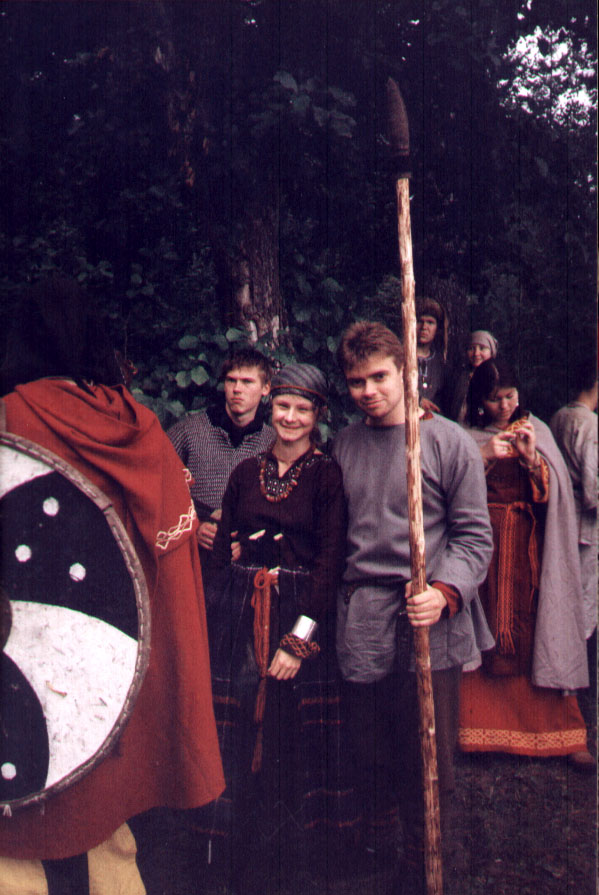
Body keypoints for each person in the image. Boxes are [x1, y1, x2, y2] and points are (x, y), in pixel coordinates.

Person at [0, 277, 224, 894]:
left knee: (18, 810)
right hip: (109, 658)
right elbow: (170, 564)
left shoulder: (8, 417)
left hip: (30, 648)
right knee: (99, 805)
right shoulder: (138, 424)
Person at [332, 321, 494, 894]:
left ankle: (426, 864)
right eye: (356, 381)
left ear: (405, 372)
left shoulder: (448, 442)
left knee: (426, 755)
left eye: (379, 377)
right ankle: (379, 855)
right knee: (369, 750)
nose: (368, 391)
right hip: (363, 617)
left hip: (428, 616)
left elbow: (475, 536)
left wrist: (445, 592)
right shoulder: (344, 445)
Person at [204, 362, 355, 890]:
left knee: (290, 743)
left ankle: (292, 868)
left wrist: (297, 642)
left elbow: (330, 564)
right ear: (271, 408)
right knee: (237, 735)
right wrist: (223, 609)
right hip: (239, 617)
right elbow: (220, 551)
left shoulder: (326, 475)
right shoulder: (246, 473)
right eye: (283, 407)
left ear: (319, 414)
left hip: (299, 617)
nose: (290, 418)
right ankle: (231, 860)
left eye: (303, 409)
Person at [458, 359, 592, 770]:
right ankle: (476, 729)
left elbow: (555, 498)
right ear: (479, 401)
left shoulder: (539, 431)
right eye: (494, 399)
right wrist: (482, 455)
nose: (504, 406)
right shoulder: (464, 436)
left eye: (510, 396)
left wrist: (533, 459)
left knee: (539, 628)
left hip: (527, 550)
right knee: (482, 629)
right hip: (483, 549)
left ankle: (559, 732)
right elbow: (451, 490)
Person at [167, 347, 274, 569]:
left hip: (247, 566)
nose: (237, 389)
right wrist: (193, 526)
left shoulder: (273, 444)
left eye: (247, 382)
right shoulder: (189, 432)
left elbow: (280, 512)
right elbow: (159, 488)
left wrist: (247, 544)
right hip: (193, 559)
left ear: (265, 388)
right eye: (231, 380)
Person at [550, 358, 598, 689]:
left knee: (566, 600)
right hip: (585, 528)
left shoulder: (559, 417)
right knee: (583, 605)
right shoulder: (589, 424)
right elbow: (594, 490)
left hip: (562, 520)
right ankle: (573, 682)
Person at [447, 329, 498, 423]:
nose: (476, 353)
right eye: (471, 348)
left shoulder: (496, 376)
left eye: (482, 348)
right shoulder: (461, 375)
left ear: (491, 351)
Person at [416, 297, 449, 414]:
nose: (424, 327)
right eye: (419, 321)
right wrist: (418, 400)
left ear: (437, 328)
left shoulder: (440, 363)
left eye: (430, 322)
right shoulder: (399, 356)